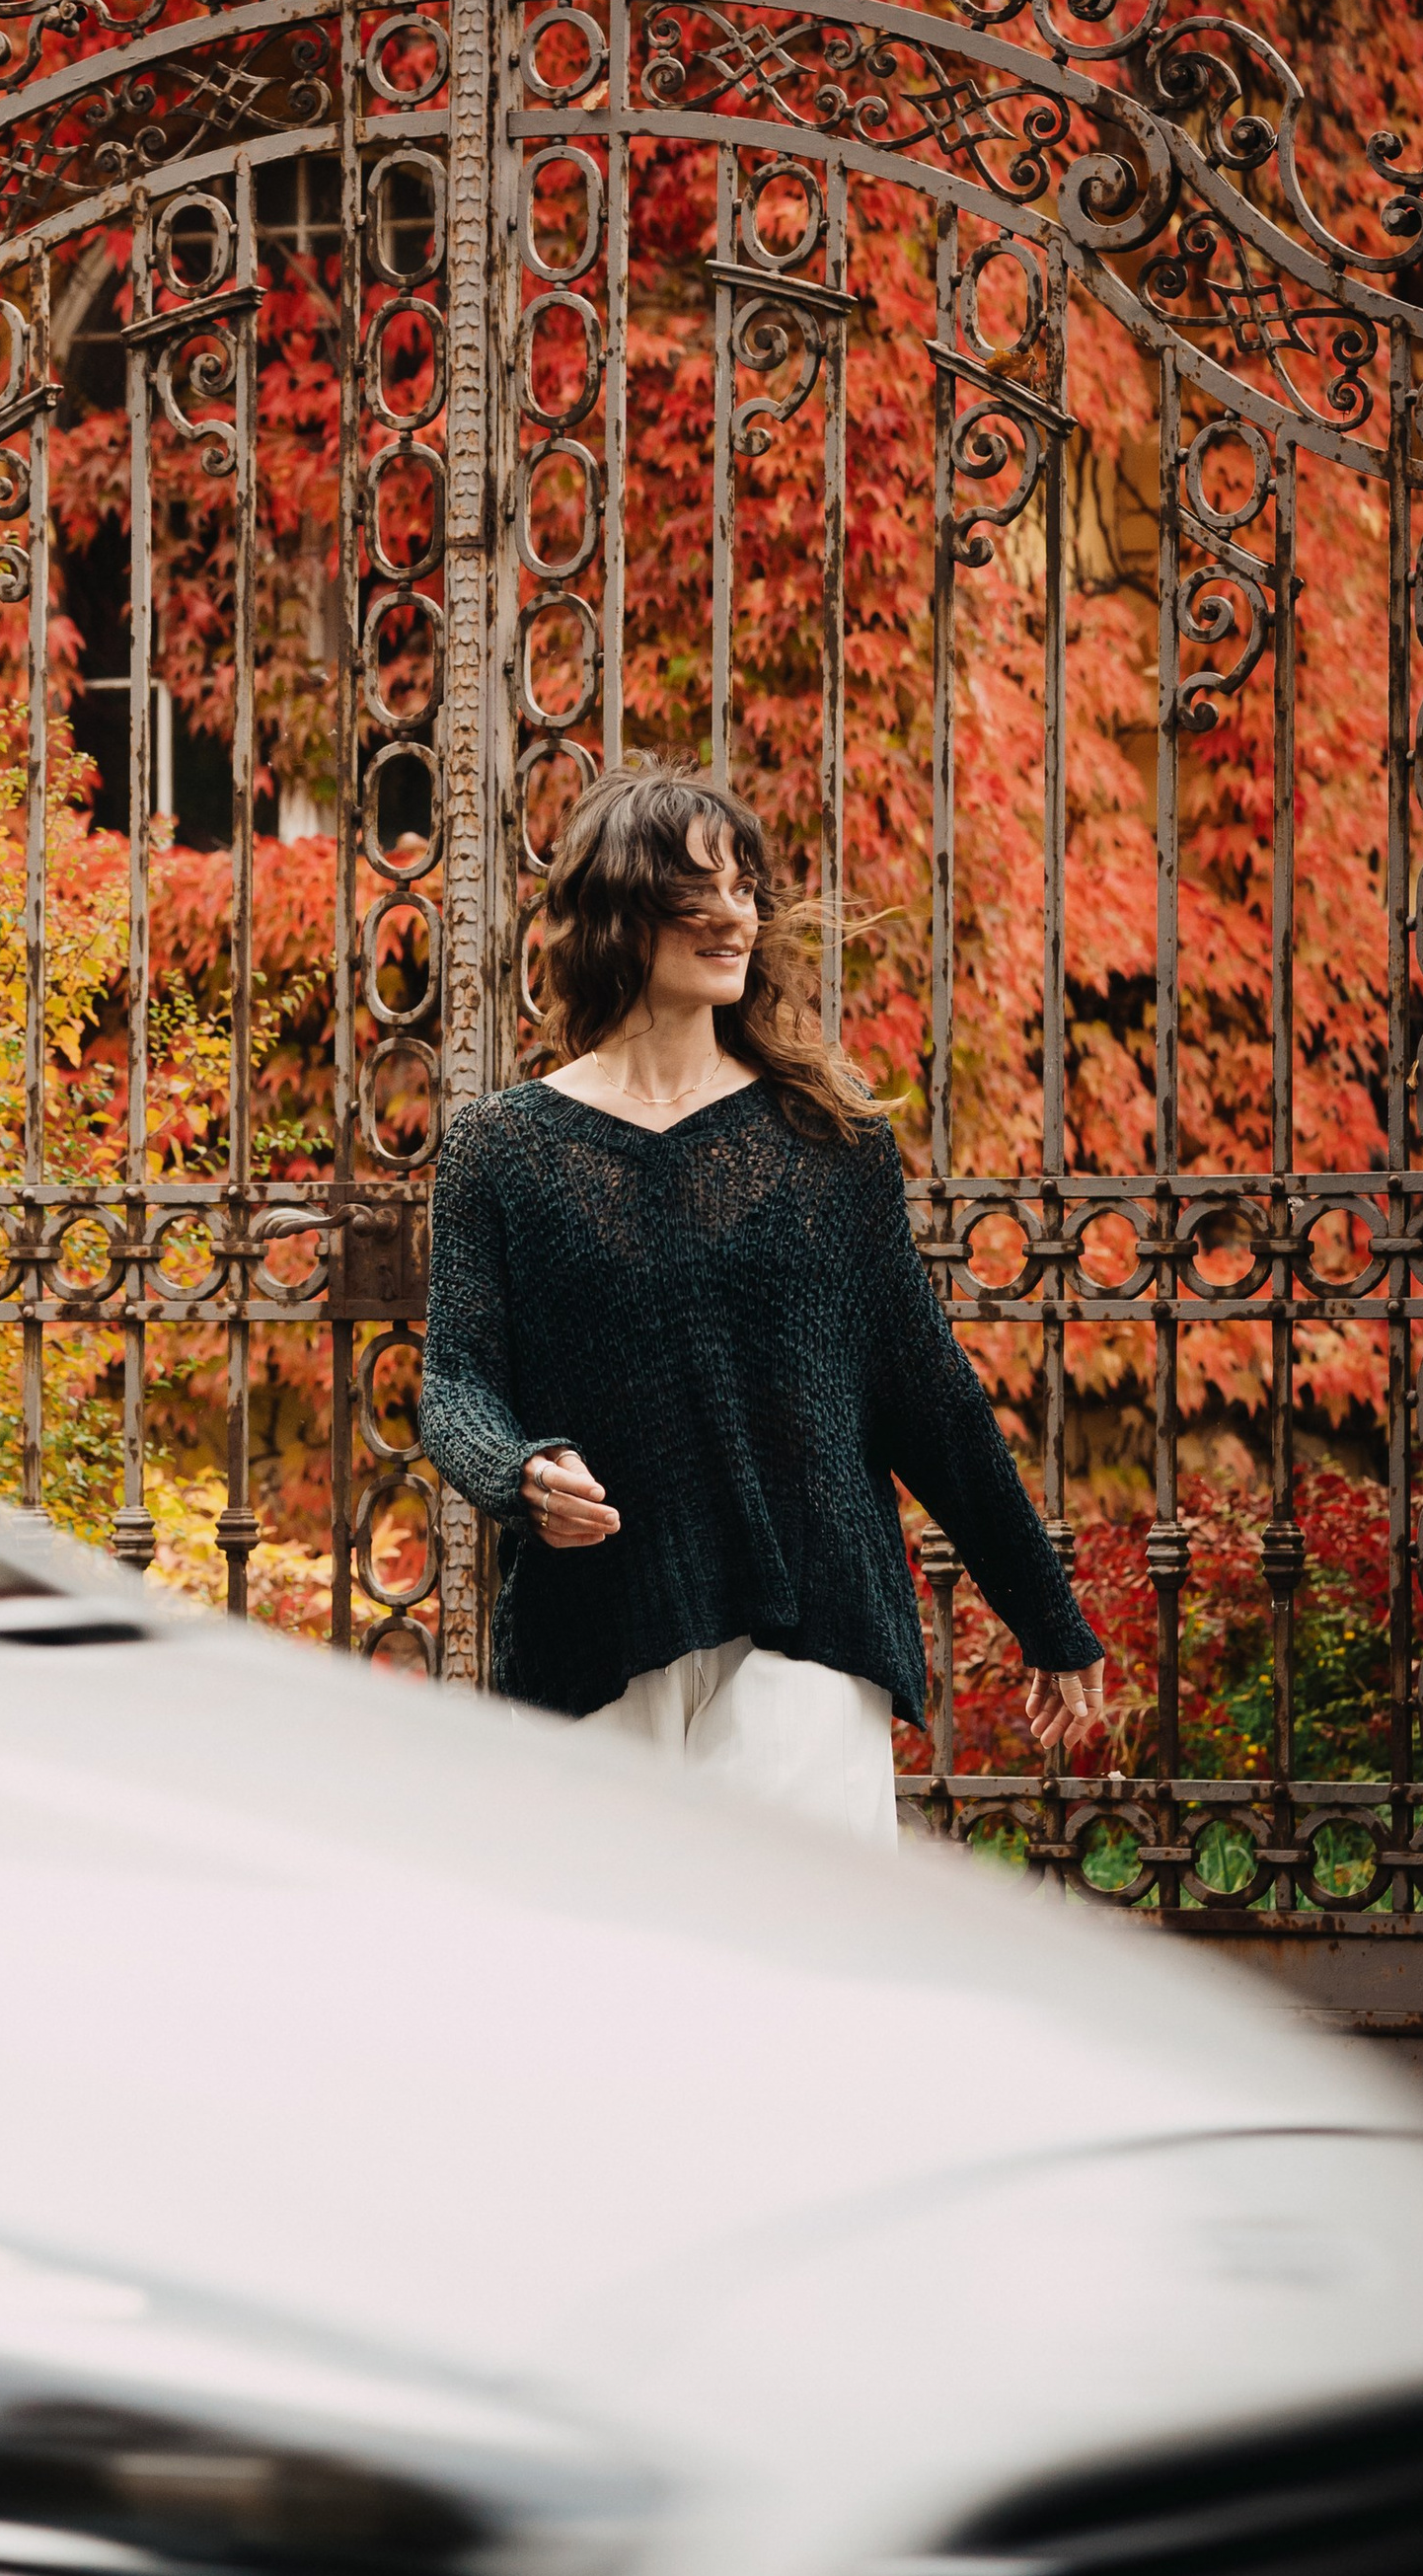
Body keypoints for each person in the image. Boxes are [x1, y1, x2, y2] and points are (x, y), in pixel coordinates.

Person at [420, 759, 1104, 1843]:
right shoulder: (500, 1149)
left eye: (746, 888)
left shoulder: (827, 1143)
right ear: (619, 910)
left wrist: (1047, 1619)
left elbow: (929, 1398)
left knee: (793, 1976)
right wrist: (523, 1472)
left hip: (808, 1621)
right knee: (616, 1983)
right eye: (700, 890)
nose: (734, 914)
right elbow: (454, 1381)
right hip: (597, 1628)